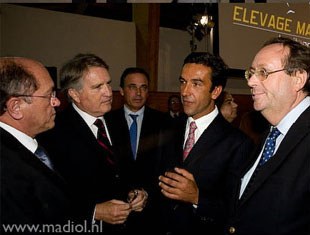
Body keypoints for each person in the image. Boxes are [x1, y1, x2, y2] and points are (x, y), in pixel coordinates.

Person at [38, 54, 147, 234]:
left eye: (108, 83)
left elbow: (125, 171)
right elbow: (48, 198)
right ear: (74, 94)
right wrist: (94, 212)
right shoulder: (53, 133)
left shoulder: (117, 121)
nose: (107, 92)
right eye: (97, 87)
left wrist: (136, 192)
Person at [157, 52, 254, 235]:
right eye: (183, 82)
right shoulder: (168, 128)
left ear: (216, 91)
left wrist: (197, 197)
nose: (185, 92)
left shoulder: (238, 143)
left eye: (196, 83)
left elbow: (236, 210)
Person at [225, 37, 310, 235]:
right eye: (251, 73)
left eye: (263, 72)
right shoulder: (270, 133)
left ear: (298, 78)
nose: (251, 81)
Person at [0, 57, 69, 229]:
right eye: (49, 95)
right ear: (16, 107)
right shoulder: (6, 169)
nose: (57, 102)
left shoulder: (35, 143)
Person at [105, 67, 165, 234]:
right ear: (122, 91)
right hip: (115, 210)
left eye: (143, 87)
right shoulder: (106, 122)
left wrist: (147, 192)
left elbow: (165, 166)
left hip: (152, 212)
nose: (138, 93)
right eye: (132, 87)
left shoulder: (164, 122)